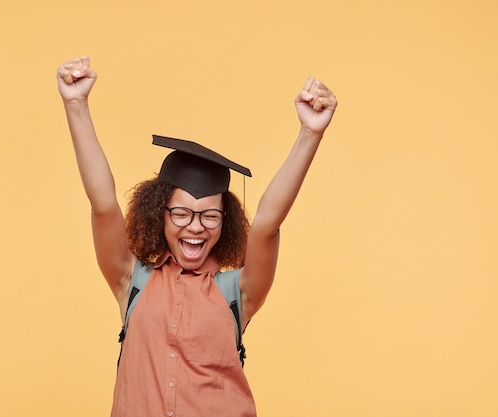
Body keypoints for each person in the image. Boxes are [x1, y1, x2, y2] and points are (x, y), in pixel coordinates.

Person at [57, 56, 337, 417]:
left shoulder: (238, 294)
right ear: (160, 214)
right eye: (182, 213)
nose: (195, 226)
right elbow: (103, 206)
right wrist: (76, 105)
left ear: (226, 222)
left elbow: (268, 224)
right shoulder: (134, 282)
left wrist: (310, 132)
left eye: (209, 215)